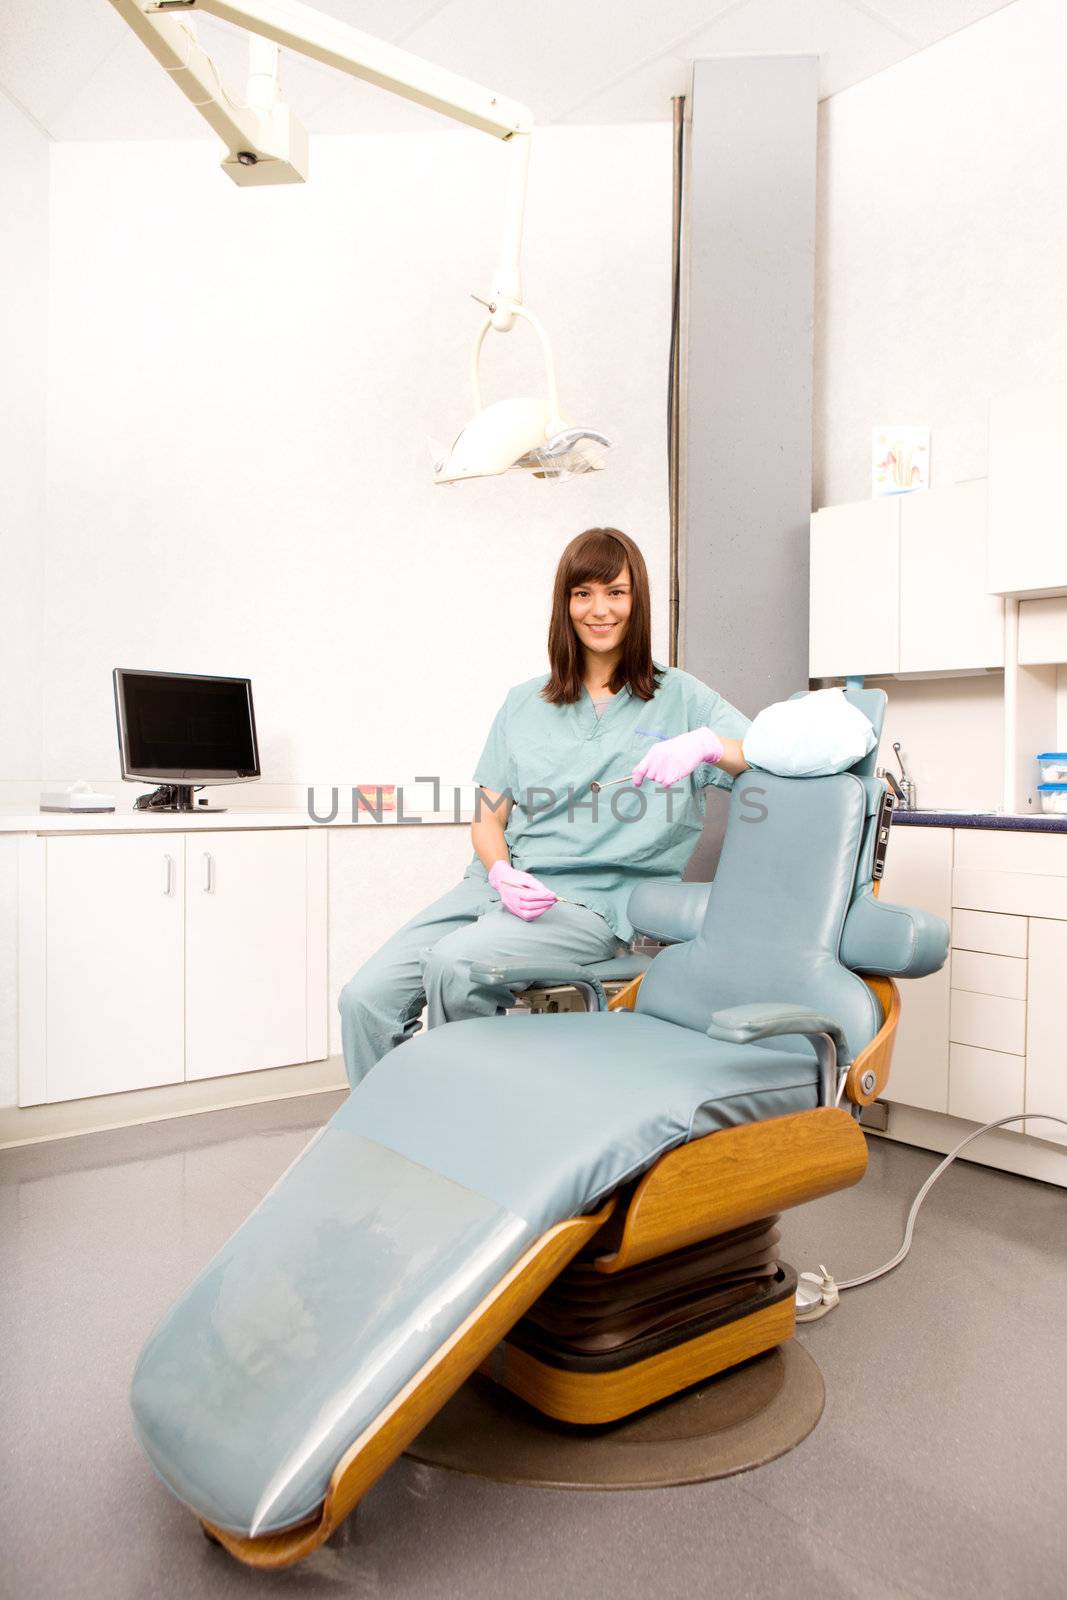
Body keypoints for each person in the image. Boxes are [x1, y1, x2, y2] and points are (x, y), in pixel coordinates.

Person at [338, 526, 750, 1086]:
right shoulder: (523, 703)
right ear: (565, 604)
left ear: (638, 601)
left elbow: (767, 757)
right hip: (496, 886)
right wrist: (501, 871)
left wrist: (709, 745)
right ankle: (393, 1131)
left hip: (592, 902)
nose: (599, 609)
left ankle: (475, 1126)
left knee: (459, 965)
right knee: (365, 1000)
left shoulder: (680, 696)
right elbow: (489, 814)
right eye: (583, 594)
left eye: (616, 592)